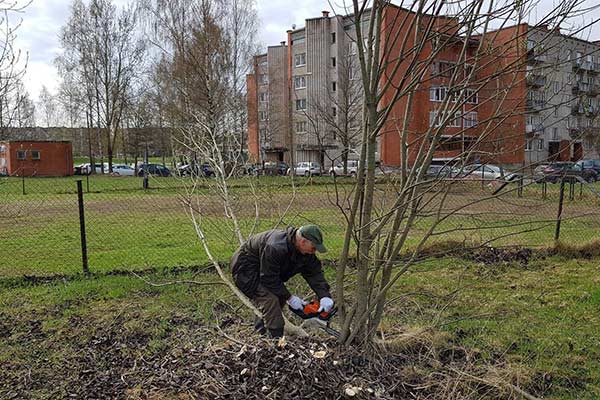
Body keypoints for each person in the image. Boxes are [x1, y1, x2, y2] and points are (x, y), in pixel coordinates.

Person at [231, 225, 334, 338]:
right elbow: (268, 278)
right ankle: (275, 340)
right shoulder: (276, 247)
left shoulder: (305, 252)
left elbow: (314, 273)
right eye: (313, 248)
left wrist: (324, 295)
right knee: (270, 299)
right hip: (246, 270)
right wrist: (290, 297)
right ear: (303, 241)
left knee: (279, 297)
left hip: (266, 270)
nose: (313, 252)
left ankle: (261, 334)